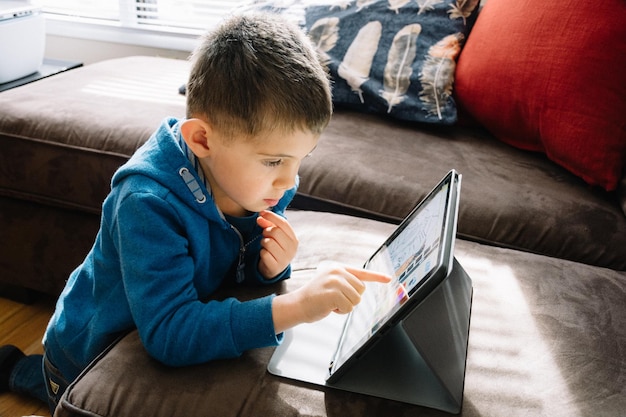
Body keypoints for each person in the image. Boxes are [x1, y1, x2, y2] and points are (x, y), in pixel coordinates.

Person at [0, 12, 390, 413]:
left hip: (160, 315)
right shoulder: (147, 203)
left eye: (301, 159)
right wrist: (297, 307)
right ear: (202, 138)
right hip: (81, 358)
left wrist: (269, 267)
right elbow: (169, 332)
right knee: (45, 387)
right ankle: (20, 369)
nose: (291, 181)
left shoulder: (259, 186)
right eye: (274, 162)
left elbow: (233, 259)